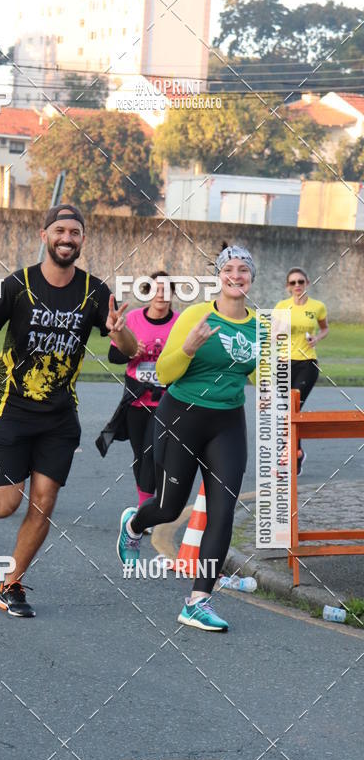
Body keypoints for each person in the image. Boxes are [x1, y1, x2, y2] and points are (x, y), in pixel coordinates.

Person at [0, 203, 137, 618]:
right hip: (12, 407)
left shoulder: (95, 292)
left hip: (59, 416)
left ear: (82, 239)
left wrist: (121, 334)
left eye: (74, 232)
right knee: (6, 503)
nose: (67, 238)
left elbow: (128, 352)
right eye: (60, 230)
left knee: (43, 503)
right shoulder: (18, 284)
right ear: (44, 235)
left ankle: (11, 584)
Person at [116, 245, 265, 633]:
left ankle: (198, 602)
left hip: (227, 422)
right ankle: (134, 526)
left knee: (223, 511)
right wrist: (188, 348)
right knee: (168, 507)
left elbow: (257, 378)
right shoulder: (197, 315)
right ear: (218, 276)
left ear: (251, 278)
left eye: (243, 270)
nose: (236, 275)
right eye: (228, 268)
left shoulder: (260, 325)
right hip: (181, 416)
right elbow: (165, 373)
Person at [96, 273, 179, 519]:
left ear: (173, 294)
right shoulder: (132, 319)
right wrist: (132, 352)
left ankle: (147, 509)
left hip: (167, 399)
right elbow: (114, 357)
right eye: (156, 289)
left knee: (153, 451)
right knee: (140, 454)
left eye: (166, 289)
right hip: (136, 398)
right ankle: (148, 501)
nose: (161, 294)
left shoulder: (179, 322)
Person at [275, 267, 328, 476]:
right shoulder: (281, 306)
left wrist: (317, 338)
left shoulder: (318, 307)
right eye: (293, 283)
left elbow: (325, 328)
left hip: (307, 363)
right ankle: (296, 453)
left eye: (300, 282)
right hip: (284, 363)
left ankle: (289, 456)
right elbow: (274, 334)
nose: (297, 286)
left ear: (307, 283)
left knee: (293, 406)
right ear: (288, 287)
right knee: (289, 412)